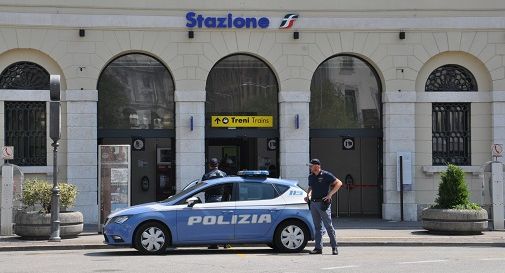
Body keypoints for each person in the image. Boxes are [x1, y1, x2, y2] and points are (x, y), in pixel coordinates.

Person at [304, 158, 342, 255]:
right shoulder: (311, 177)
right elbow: (311, 187)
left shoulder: (326, 175)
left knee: (328, 226)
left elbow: (339, 183)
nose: (310, 168)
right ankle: (318, 248)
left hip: (323, 203)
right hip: (313, 203)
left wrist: (330, 195)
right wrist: (308, 195)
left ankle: (334, 247)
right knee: (317, 227)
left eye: (311, 166)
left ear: (316, 166)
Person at [201, 158, 231, 250]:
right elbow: (228, 188)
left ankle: (213, 244)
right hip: (222, 201)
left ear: (209, 165)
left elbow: (203, 189)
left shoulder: (206, 175)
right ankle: (226, 243)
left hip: (210, 201)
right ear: (217, 164)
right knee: (223, 222)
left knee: (212, 223)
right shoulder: (224, 174)